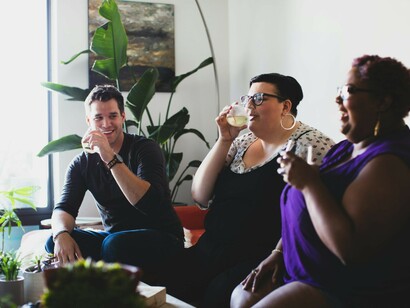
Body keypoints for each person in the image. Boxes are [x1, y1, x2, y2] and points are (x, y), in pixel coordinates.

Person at [231, 55, 410, 307]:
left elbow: (350, 250)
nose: (338, 98)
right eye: (339, 90)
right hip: (301, 268)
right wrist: (278, 253)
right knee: (239, 298)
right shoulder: (345, 149)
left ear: (383, 101)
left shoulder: (388, 163)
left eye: (349, 91)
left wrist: (309, 184)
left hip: (341, 287)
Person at [154, 73, 334, 307]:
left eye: (258, 98)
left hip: (260, 254)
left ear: (285, 106)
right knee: (167, 286)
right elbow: (200, 195)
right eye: (247, 98)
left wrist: (278, 254)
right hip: (212, 247)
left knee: (217, 294)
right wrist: (224, 140)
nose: (248, 106)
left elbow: (313, 212)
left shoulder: (310, 145)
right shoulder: (242, 141)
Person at [45, 85, 184, 274]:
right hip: (115, 239)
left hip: (162, 236)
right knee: (55, 240)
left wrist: (108, 156)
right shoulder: (81, 164)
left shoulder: (145, 149)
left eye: (112, 116)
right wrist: (60, 234)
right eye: (98, 118)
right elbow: (64, 208)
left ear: (123, 117)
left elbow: (149, 202)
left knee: (113, 245)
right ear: (89, 121)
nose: (106, 124)